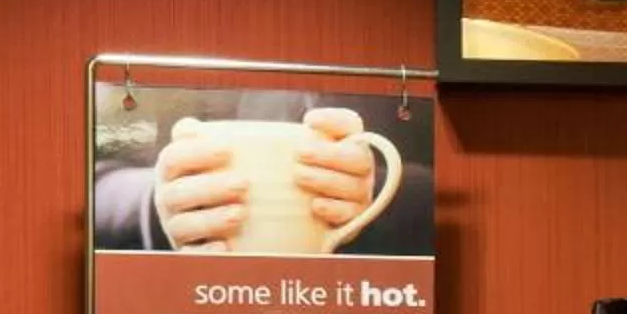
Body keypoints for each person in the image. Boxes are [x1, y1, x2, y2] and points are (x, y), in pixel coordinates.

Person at [92, 90, 434, 256]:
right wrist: (159, 199)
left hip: (375, 310)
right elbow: (81, 188)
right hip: (188, 313)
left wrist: (384, 195)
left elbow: (473, 193)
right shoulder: (169, 19)